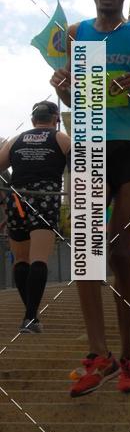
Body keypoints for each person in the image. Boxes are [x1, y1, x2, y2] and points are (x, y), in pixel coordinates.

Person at [50, 0, 130, 397]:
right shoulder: (79, 35)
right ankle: (99, 354)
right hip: (88, 143)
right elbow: (77, 95)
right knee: (85, 250)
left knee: (120, 250)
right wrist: (62, 84)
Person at [0, 101, 70, 333]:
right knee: (39, 257)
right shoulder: (59, 138)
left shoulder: (15, 140)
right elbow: (82, 162)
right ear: (55, 119)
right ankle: (30, 317)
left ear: (33, 120)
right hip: (45, 195)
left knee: (21, 258)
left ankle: (31, 315)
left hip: (16, 198)